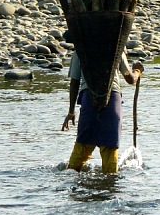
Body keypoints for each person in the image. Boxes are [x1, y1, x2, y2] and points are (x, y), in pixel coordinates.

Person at [61, 45, 143, 174]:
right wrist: (138, 70)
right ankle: (108, 186)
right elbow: (130, 79)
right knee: (109, 150)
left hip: (89, 98)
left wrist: (71, 112)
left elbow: (74, 82)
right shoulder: (116, 46)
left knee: (82, 147)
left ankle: (72, 180)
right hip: (112, 99)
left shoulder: (81, 48)